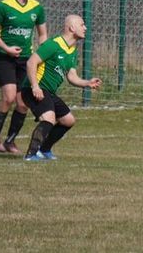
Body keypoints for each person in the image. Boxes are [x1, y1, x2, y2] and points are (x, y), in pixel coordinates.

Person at [21, 14, 102, 161]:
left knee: (68, 120)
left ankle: (44, 150)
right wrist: (35, 87)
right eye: (82, 25)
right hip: (34, 89)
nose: (85, 28)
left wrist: (87, 83)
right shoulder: (53, 44)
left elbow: (72, 76)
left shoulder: (72, 50)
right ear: (72, 28)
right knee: (49, 119)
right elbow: (31, 62)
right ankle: (31, 154)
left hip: (48, 92)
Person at [0, 0, 47, 154]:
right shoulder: (4, 6)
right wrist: (6, 48)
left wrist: (41, 54)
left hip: (26, 60)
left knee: (23, 103)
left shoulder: (37, 8)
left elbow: (42, 34)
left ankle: (10, 141)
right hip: (4, 57)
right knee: (9, 97)